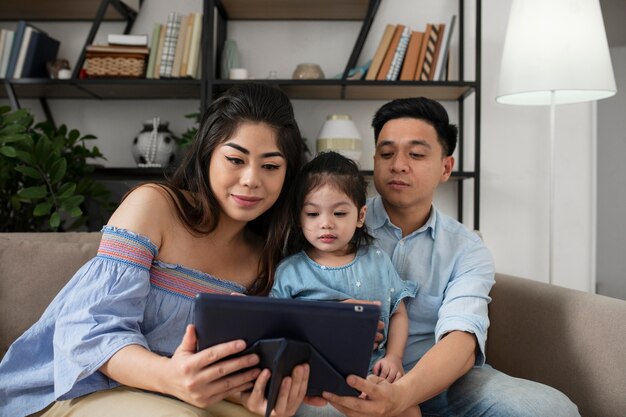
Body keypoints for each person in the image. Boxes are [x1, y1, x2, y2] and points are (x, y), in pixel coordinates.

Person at [0, 83, 311, 417]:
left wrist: (248, 397)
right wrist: (170, 377)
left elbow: (233, 367)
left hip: (189, 399)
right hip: (86, 387)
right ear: (207, 154)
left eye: (270, 166)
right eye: (235, 159)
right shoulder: (155, 206)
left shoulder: (272, 257)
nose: (251, 179)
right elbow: (87, 332)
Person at [299, 97, 580, 417]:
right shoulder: (330, 225)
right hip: (350, 374)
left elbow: (462, 339)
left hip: (442, 381)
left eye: (416, 154)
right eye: (387, 153)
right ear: (374, 159)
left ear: (446, 167)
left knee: (550, 408)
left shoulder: (467, 248)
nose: (398, 165)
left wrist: (402, 395)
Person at [270, 151, 420, 417]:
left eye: (339, 213)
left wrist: (394, 358)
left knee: (410, 410)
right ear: (299, 218)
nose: (326, 223)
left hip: (372, 376)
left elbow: (398, 312)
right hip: (314, 381)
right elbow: (276, 327)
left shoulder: (377, 261)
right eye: (313, 214)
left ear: (360, 216)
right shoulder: (291, 271)